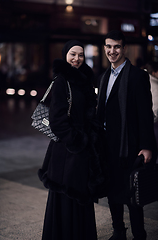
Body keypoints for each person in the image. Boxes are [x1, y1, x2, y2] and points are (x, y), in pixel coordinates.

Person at [38, 40, 107, 240]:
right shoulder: (62, 81)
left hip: (81, 150)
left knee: (79, 196)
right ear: (65, 56)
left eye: (80, 55)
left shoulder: (84, 80)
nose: (77, 59)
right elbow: (56, 121)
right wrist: (78, 141)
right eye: (72, 54)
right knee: (67, 197)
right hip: (68, 151)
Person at [96, 30, 157, 240]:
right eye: (109, 47)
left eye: (117, 47)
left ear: (124, 48)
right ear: (104, 48)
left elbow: (145, 114)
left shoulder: (138, 76)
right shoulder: (103, 77)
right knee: (112, 192)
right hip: (108, 146)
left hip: (129, 146)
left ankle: (139, 235)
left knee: (133, 195)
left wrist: (148, 146)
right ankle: (118, 231)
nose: (112, 51)